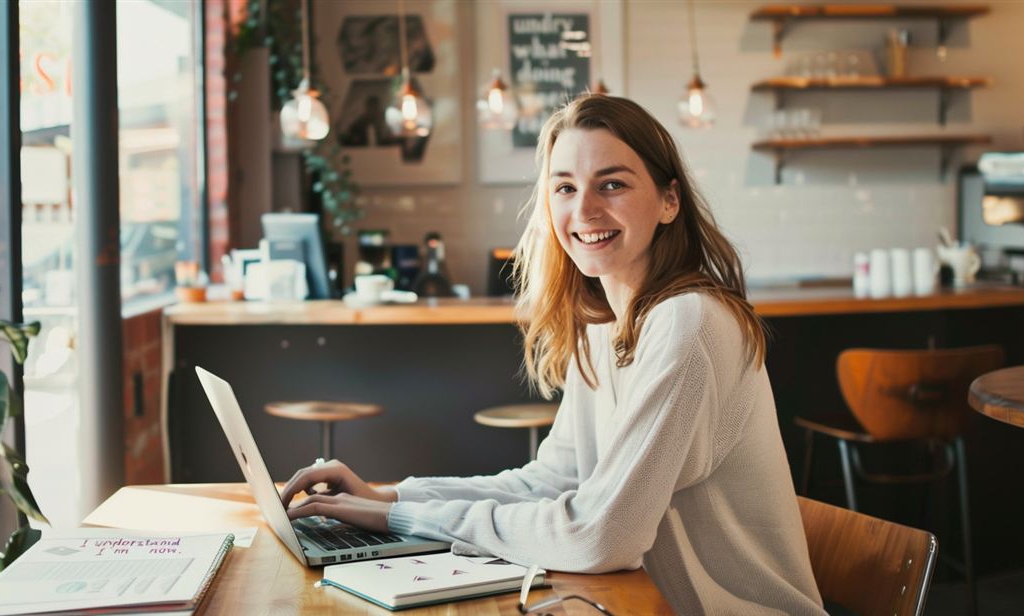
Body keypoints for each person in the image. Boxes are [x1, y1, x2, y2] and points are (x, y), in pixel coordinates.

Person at [279, 94, 825, 614]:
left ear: (668, 200)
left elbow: (602, 536)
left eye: (611, 184)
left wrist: (399, 518)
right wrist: (392, 496)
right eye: (564, 188)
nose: (585, 209)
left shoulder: (689, 322)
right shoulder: (604, 326)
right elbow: (552, 482)